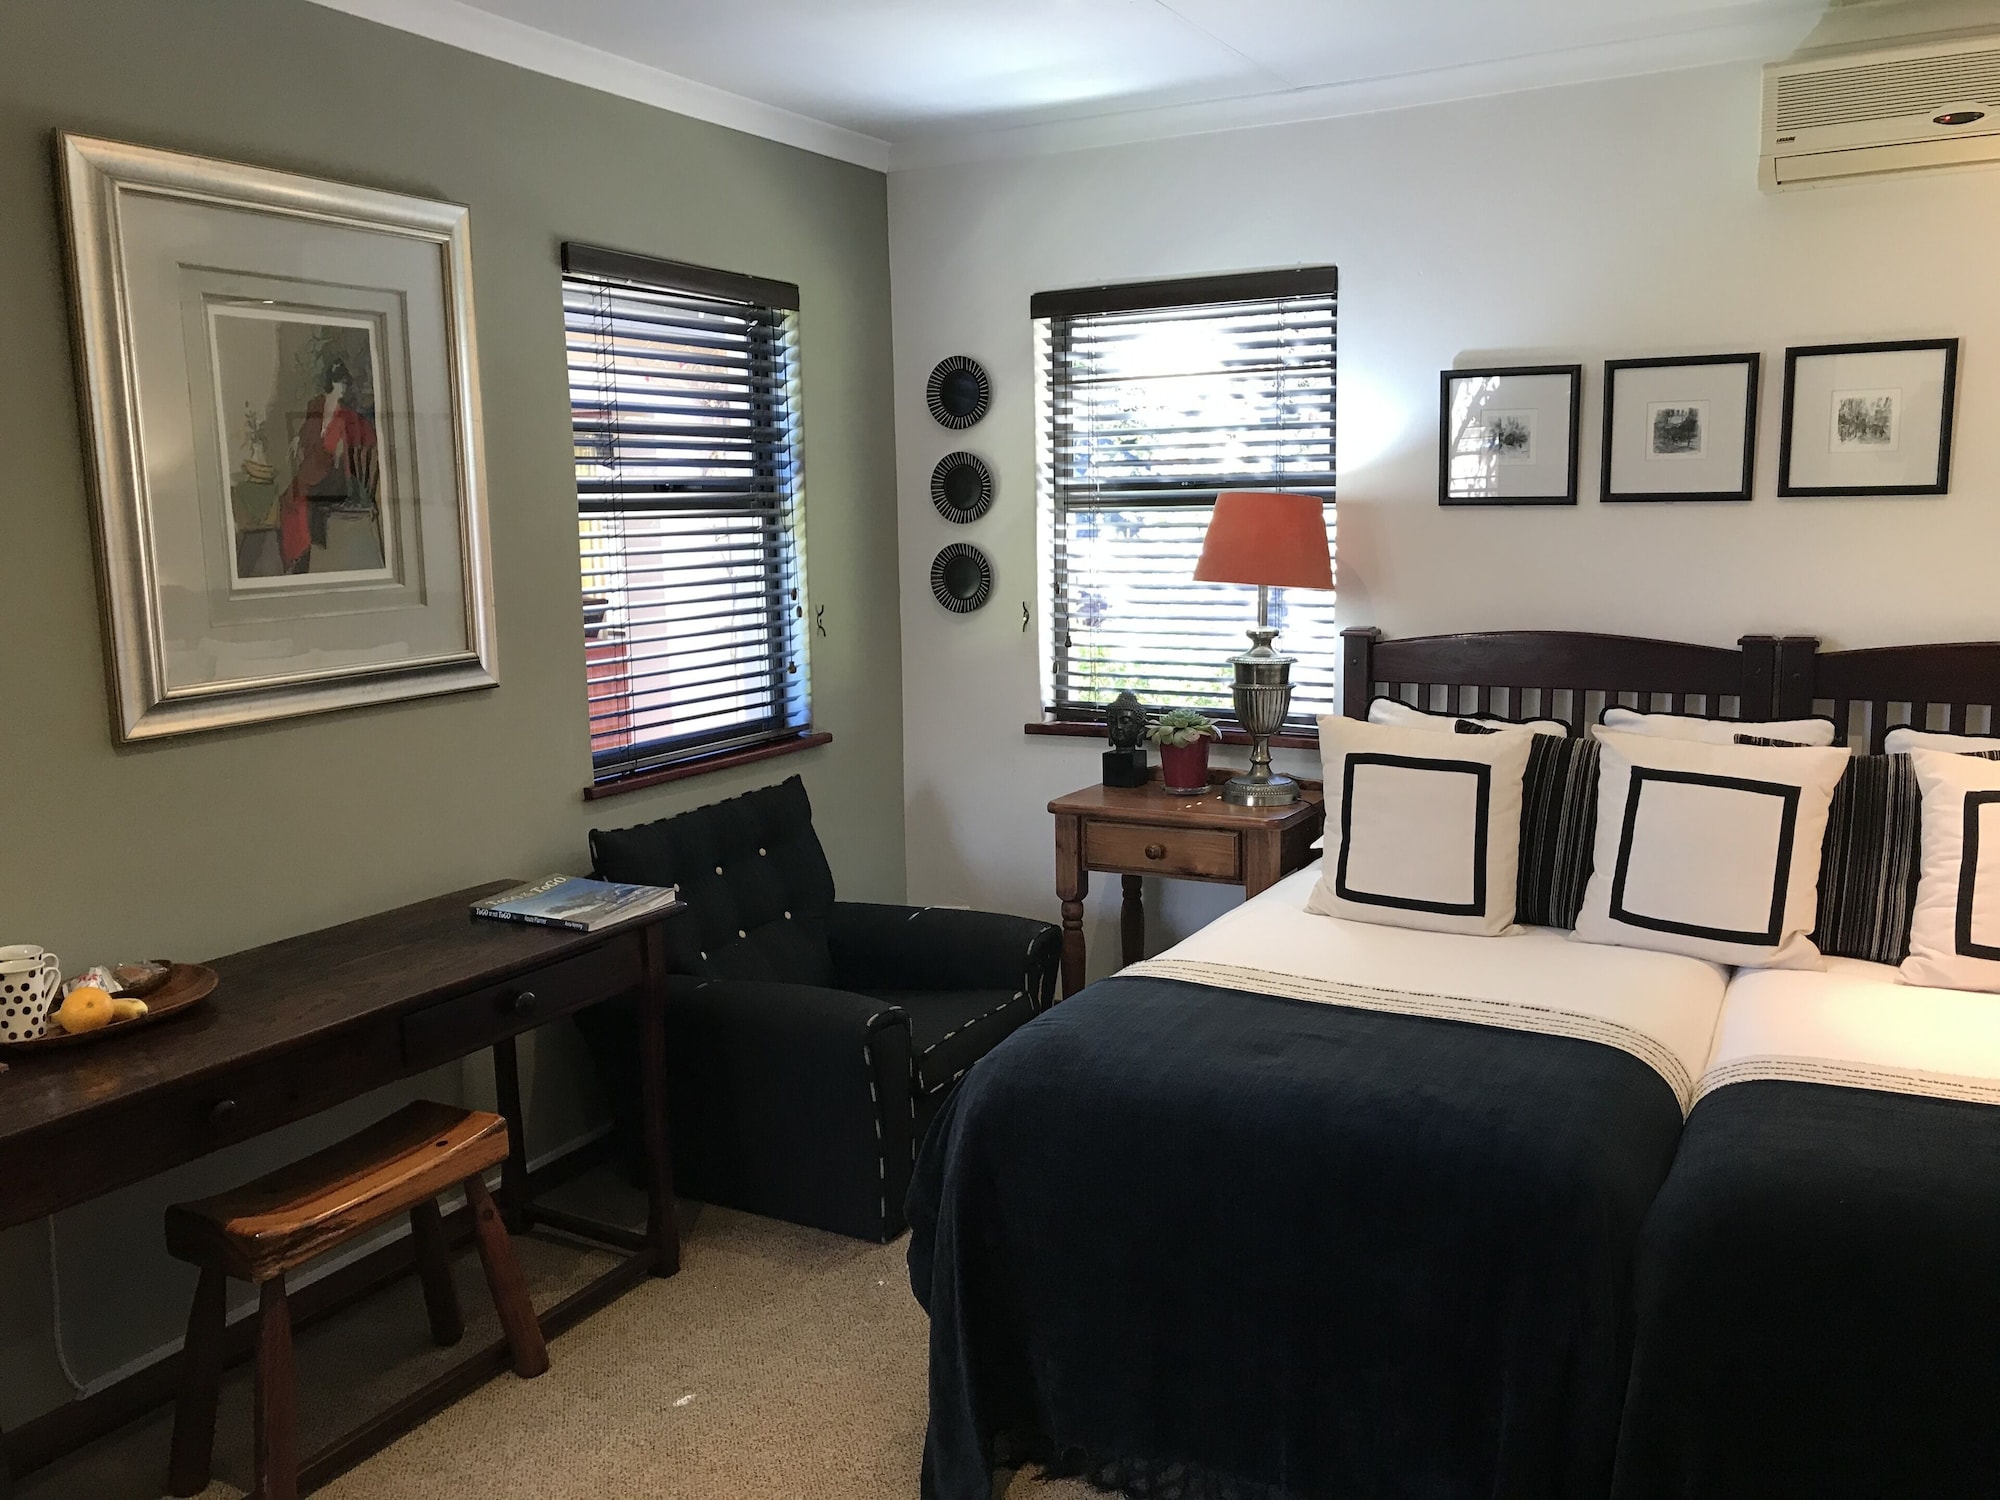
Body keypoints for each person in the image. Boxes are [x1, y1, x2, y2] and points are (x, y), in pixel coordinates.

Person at [279, 358, 379, 574]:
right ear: (331, 383)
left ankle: (302, 555)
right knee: (288, 499)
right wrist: (298, 438)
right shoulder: (315, 404)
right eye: (339, 382)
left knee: (302, 502)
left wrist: (343, 447)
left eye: (344, 383)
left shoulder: (346, 415)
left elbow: (361, 439)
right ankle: (294, 555)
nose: (343, 387)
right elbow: (307, 429)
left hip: (333, 474)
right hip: (313, 466)